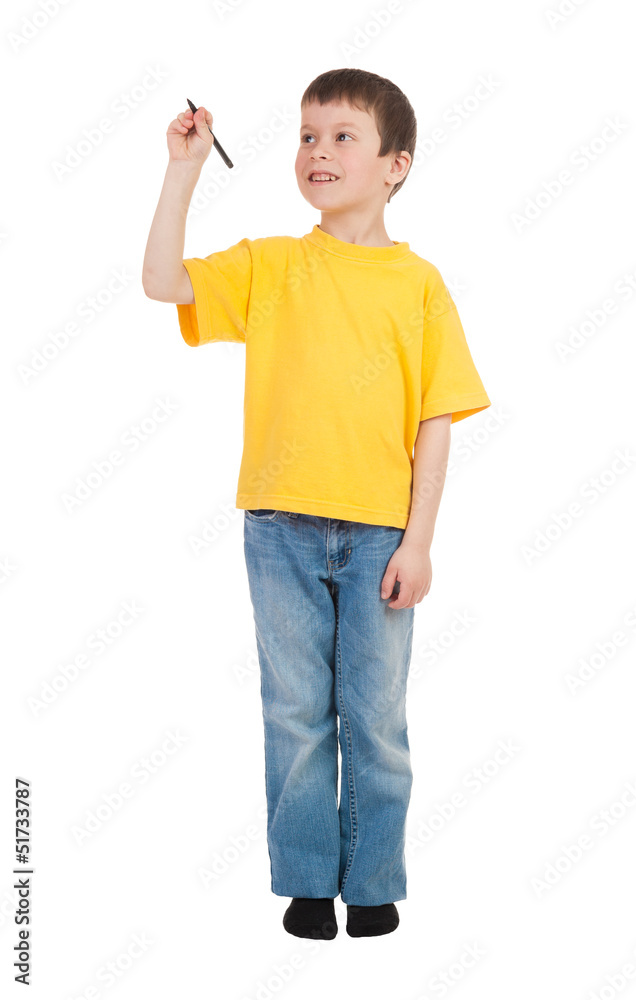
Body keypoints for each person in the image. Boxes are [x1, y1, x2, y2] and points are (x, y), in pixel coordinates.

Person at [143, 67, 491, 940]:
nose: (317, 152)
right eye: (306, 136)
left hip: (380, 535)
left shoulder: (420, 285)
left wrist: (419, 541)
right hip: (279, 527)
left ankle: (371, 883)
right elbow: (163, 282)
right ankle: (305, 881)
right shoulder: (273, 264)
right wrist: (182, 172)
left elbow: (437, 421)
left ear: (396, 165)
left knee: (375, 718)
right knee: (295, 712)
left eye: (342, 136)